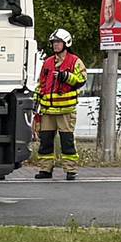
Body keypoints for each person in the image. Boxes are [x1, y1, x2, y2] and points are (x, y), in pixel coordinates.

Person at [34, 28, 88, 179]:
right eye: (54, 42)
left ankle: (70, 170)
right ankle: (45, 169)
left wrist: (66, 76)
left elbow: (82, 80)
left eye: (58, 42)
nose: (55, 45)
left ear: (66, 43)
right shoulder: (47, 63)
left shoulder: (75, 61)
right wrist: (36, 105)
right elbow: (41, 84)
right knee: (45, 141)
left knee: (67, 141)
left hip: (66, 110)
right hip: (48, 110)